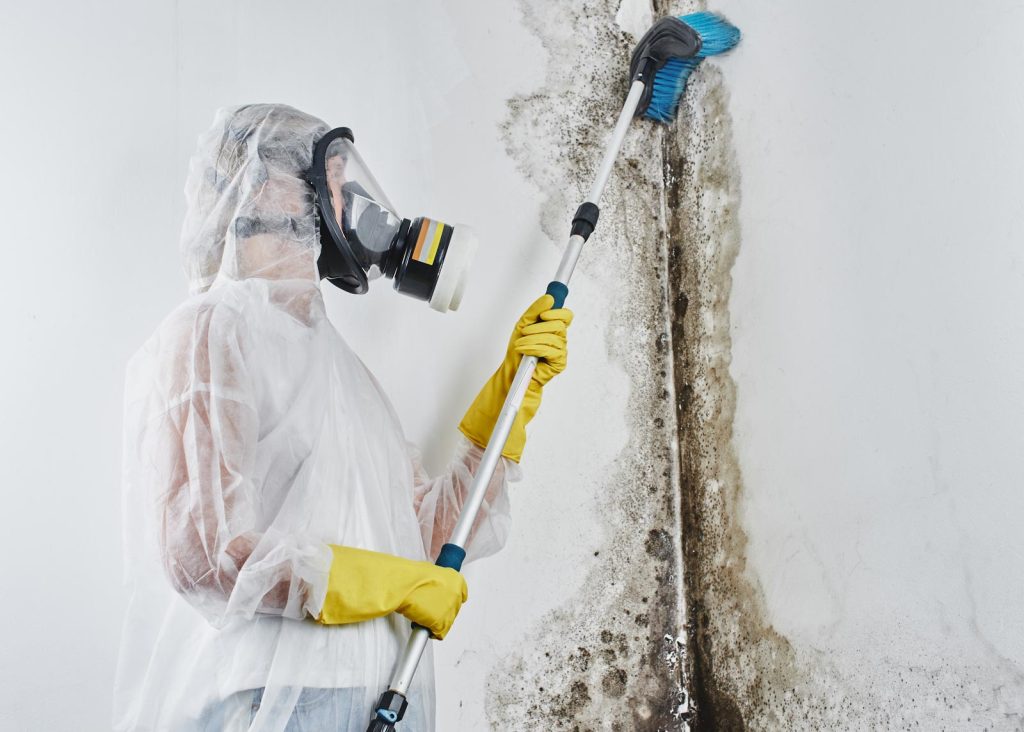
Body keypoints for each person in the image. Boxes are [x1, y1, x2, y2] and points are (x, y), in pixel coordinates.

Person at [113, 104, 572, 731]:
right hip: (275, 701)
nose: (347, 194)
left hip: (390, 696)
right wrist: (384, 586)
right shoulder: (213, 330)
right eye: (329, 174)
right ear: (263, 187)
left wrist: (511, 397)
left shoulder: (345, 375)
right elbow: (202, 550)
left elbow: (429, 544)